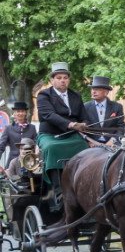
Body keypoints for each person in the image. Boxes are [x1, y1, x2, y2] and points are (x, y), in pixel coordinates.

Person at [37, 62, 89, 211]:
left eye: (65, 77)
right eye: (59, 77)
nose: (62, 80)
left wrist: (84, 125)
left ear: (69, 80)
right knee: (52, 149)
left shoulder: (75, 96)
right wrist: (72, 124)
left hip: (72, 136)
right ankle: (59, 193)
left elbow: (84, 117)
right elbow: (49, 115)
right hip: (50, 135)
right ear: (52, 80)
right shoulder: (44, 95)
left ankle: (83, 189)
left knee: (84, 148)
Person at [84, 75, 125, 146]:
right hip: (91, 145)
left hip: (112, 145)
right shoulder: (85, 107)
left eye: (97, 89)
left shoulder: (117, 107)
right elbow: (82, 128)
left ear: (106, 92)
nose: (93, 92)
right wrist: (89, 142)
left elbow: (121, 127)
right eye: (93, 89)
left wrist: (113, 140)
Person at [0, 101, 37, 168]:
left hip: (29, 162)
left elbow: (36, 145)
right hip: (12, 163)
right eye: (18, 111)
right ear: (14, 113)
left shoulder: (32, 128)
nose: (20, 113)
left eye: (22, 111)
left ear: (26, 113)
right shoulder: (8, 128)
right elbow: (1, 146)